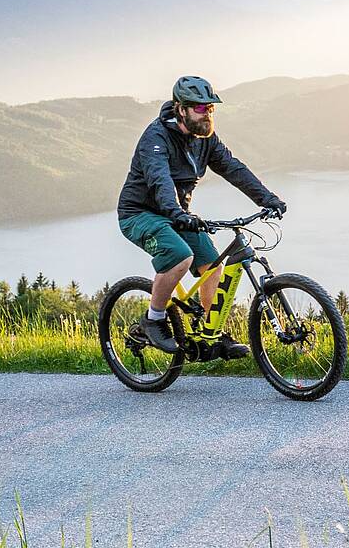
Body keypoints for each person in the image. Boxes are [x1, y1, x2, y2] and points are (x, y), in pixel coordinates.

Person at [118, 76, 286, 355]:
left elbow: (233, 168)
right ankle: (154, 319)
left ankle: (211, 336)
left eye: (210, 108)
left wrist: (267, 198)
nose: (206, 113)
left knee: (212, 264)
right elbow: (161, 181)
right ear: (180, 108)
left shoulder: (205, 140)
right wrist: (176, 212)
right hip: (140, 214)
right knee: (180, 256)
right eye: (199, 108)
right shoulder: (155, 138)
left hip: (176, 214)